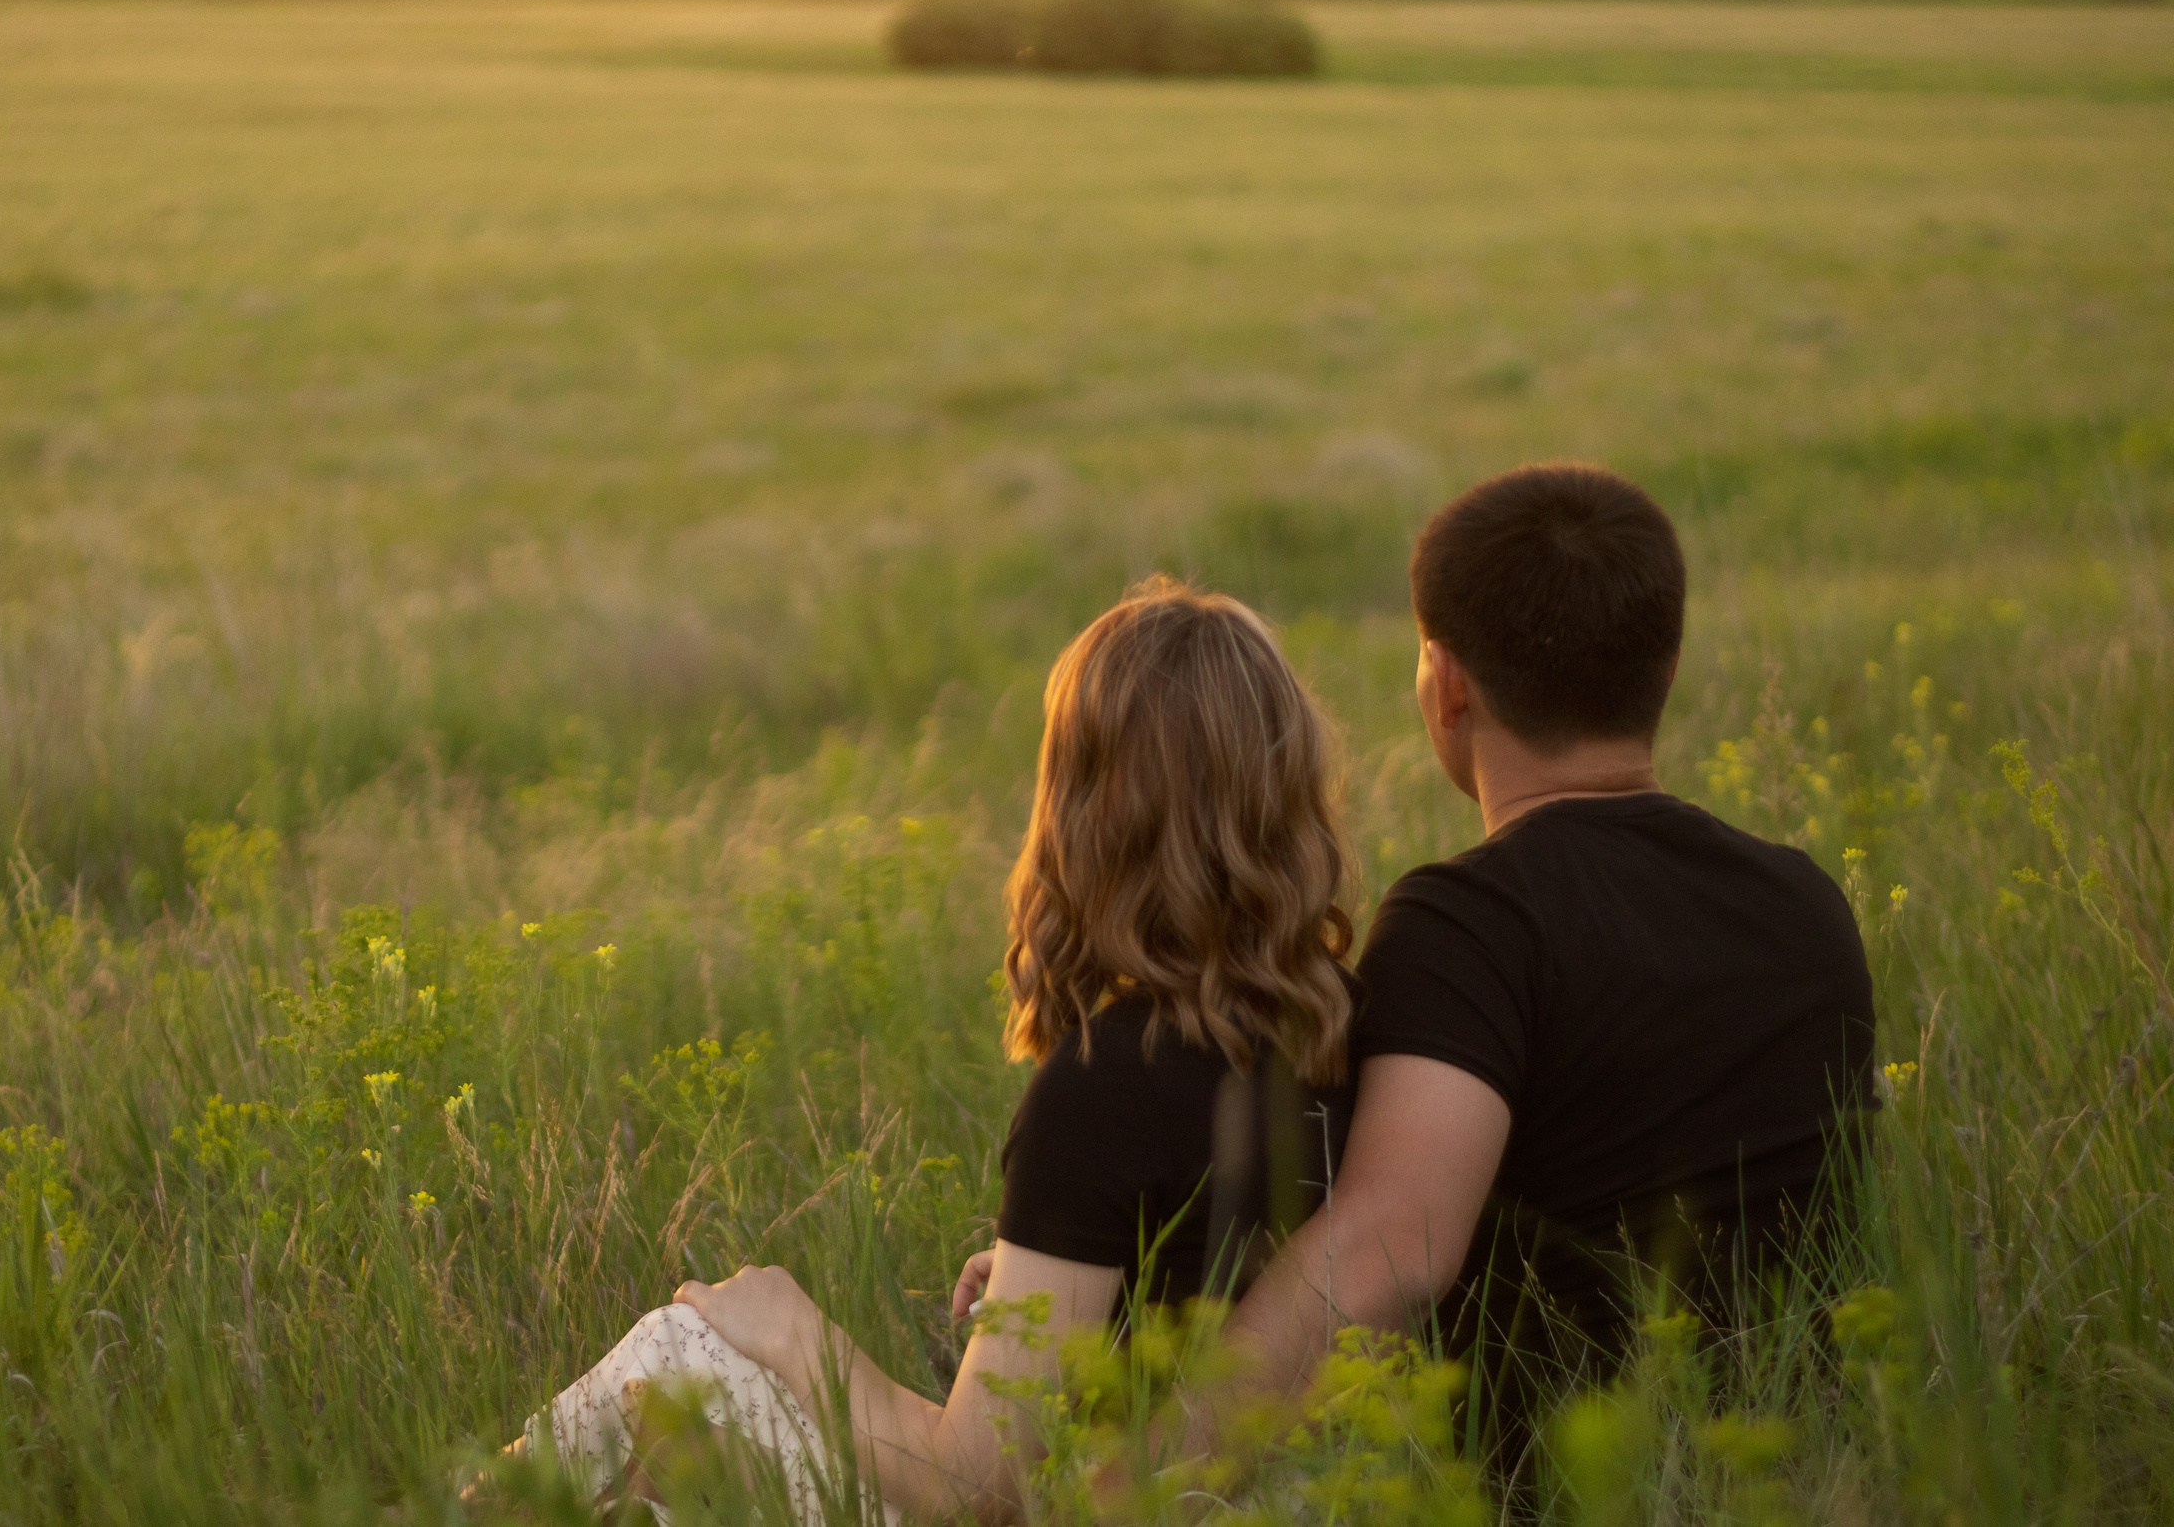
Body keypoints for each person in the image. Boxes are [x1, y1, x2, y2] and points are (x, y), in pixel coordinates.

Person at [504, 578, 1363, 1522]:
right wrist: (1067, 1288)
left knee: (690, 1347)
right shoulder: (1350, 1027)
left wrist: (797, 1328)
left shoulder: (1105, 1084)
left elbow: (974, 1490)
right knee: (667, 1457)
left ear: (1086, 807)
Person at [1222, 463, 1878, 1468]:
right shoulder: (1805, 903)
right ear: (1663, 670)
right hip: (1802, 1472)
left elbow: (1390, 1251)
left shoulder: (1470, 922)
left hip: (1574, 1483)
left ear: (1444, 687)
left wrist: (1115, 1478)